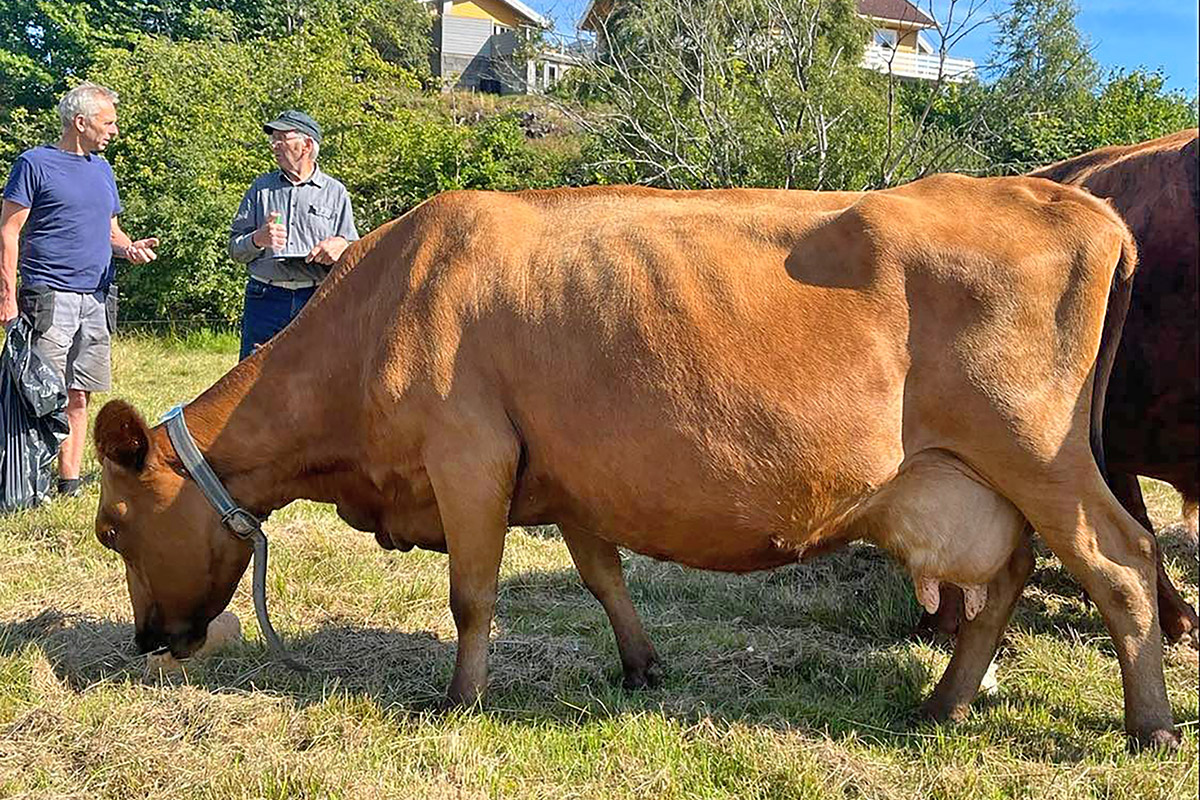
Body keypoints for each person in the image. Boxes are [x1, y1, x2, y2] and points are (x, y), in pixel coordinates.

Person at [0, 82, 159, 497]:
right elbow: (9, 231)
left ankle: (68, 482)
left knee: (78, 393)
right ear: (80, 121)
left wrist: (129, 248)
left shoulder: (102, 170)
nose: (114, 131)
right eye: (108, 123)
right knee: (38, 394)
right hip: (49, 295)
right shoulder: (34, 164)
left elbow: (110, 231)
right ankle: (28, 486)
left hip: (97, 297)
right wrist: (6, 296)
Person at [229, 110, 358, 360]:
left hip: (317, 300)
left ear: (306, 145)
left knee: (317, 378)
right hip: (265, 299)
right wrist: (258, 239)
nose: (273, 145)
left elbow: (354, 250)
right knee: (252, 383)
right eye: (272, 139)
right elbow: (235, 249)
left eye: (281, 138)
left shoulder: (335, 192)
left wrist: (341, 246)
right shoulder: (261, 189)